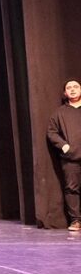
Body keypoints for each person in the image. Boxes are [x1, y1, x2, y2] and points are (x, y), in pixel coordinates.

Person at [47, 79, 81, 231]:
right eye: (69, 87)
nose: (72, 89)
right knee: (72, 189)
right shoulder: (59, 113)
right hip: (71, 158)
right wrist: (65, 146)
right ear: (65, 93)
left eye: (76, 87)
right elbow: (51, 132)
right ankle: (76, 220)